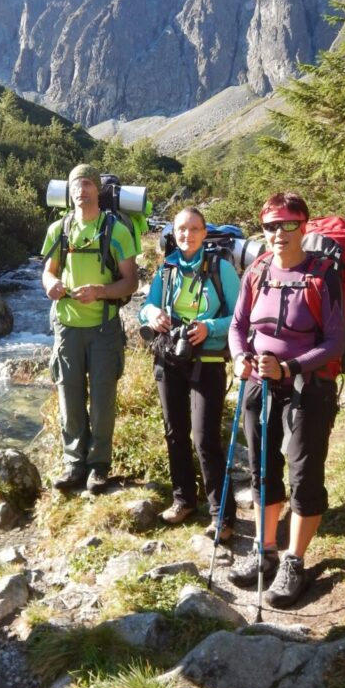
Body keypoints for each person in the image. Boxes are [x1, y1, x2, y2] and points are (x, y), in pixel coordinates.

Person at [227, 191, 345, 608]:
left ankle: (294, 560)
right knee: (262, 468)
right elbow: (238, 325)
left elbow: (335, 342)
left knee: (304, 472)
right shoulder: (257, 269)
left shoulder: (322, 276)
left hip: (307, 387)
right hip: (260, 383)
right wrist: (240, 357)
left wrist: (290, 367)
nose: (279, 233)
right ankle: (265, 551)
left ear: (304, 226)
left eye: (289, 224)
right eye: (271, 226)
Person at [139, 207, 240, 532]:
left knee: (205, 438)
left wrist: (210, 327)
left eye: (195, 229)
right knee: (175, 433)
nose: (188, 235)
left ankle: (221, 514)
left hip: (207, 362)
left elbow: (241, 315)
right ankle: (183, 500)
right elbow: (146, 307)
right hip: (170, 357)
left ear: (204, 233)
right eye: (182, 229)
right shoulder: (167, 269)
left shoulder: (221, 268)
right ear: (174, 233)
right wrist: (152, 314)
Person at [42, 164, 138, 494]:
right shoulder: (59, 229)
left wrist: (101, 291)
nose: (81, 190)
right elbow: (48, 271)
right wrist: (51, 284)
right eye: (75, 185)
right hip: (66, 327)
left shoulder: (116, 231)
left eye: (87, 184)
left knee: (102, 399)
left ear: (98, 190)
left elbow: (131, 281)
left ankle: (98, 465)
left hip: (103, 327)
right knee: (68, 397)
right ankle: (74, 463)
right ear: (68, 191)